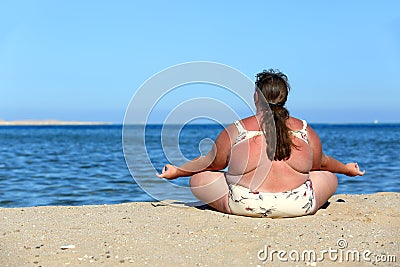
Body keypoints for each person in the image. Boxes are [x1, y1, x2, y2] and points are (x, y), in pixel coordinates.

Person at [156, 69, 365, 218]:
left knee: (199, 179)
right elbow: (322, 163)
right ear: (285, 98)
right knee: (328, 176)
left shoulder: (238, 129)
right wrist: (346, 169)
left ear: (256, 96)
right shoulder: (303, 129)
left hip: (245, 204)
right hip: (298, 205)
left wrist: (178, 171)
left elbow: (212, 164)